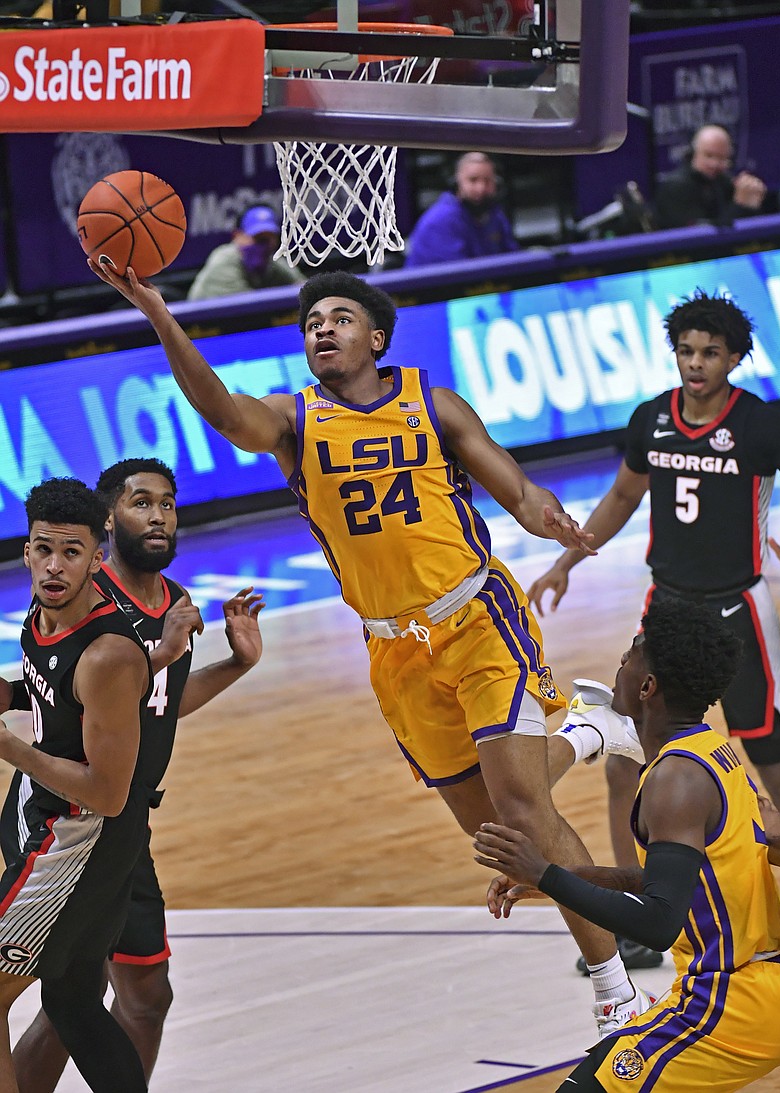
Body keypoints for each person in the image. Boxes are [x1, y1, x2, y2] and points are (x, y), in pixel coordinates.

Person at [88, 259, 654, 1035]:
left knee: (522, 812)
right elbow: (222, 411)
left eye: (340, 318)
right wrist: (158, 311)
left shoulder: (432, 402)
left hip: (477, 615)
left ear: (375, 337)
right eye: (313, 322)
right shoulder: (296, 423)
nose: (323, 327)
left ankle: (616, 988)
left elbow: (517, 491)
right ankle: (588, 731)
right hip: (394, 650)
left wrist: (551, 522)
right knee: (490, 829)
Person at [529, 288, 780, 959]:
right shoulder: (652, 419)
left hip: (739, 612)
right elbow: (623, 494)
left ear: (736, 358)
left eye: (710, 351)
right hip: (666, 610)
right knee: (629, 757)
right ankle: (642, 912)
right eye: (686, 350)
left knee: (773, 762)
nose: (696, 362)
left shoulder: (761, 425)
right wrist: (567, 560)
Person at [5, 458, 264, 1093]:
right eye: (141, 502)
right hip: (61, 817)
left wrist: (229, 664)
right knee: (73, 993)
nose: (158, 516)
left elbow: (142, 717)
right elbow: (75, 694)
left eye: (167, 504)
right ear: (109, 523)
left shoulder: (156, 618)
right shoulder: (64, 608)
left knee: (131, 994)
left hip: (100, 822)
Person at [474, 598, 780, 1090]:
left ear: (648, 688)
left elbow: (658, 922)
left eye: (630, 654)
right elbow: (679, 880)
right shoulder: (710, 750)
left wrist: (546, 873)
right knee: (602, 1061)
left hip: (728, 1005)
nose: (621, 662)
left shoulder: (674, 782)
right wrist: (563, 880)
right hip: (769, 986)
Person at [0, 477, 153, 1093]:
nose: (55, 566)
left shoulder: (108, 653)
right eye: (44, 549)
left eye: (72, 552)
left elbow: (108, 793)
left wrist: (9, 747)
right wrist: (9, 697)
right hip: (50, 821)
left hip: (76, 838)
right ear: (26, 549)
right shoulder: (44, 614)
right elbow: (53, 703)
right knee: (73, 1002)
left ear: (98, 554)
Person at [403, 152, 520, 268]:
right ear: (457, 182)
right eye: (473, 180)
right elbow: (457, 276)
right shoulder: (440, 221)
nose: (481, 188)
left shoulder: (495, 214)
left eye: (487, 180)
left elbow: (513, 259)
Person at [653, 125, 768, 230]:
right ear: (694, 153)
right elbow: (701, 236)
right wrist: (739, 205)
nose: (714, 164)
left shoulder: (723, 181)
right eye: (709, 155)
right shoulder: (676, 187)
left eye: (721, 158)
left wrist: (751, 205)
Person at [187, 204, 304, 301]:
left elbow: (303, 289)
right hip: (202, 326)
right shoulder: (224, 261)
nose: (263, 246)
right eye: (258, 239)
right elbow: (250, 308)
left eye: (268, 239)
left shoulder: (272, 261)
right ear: (237, 236)